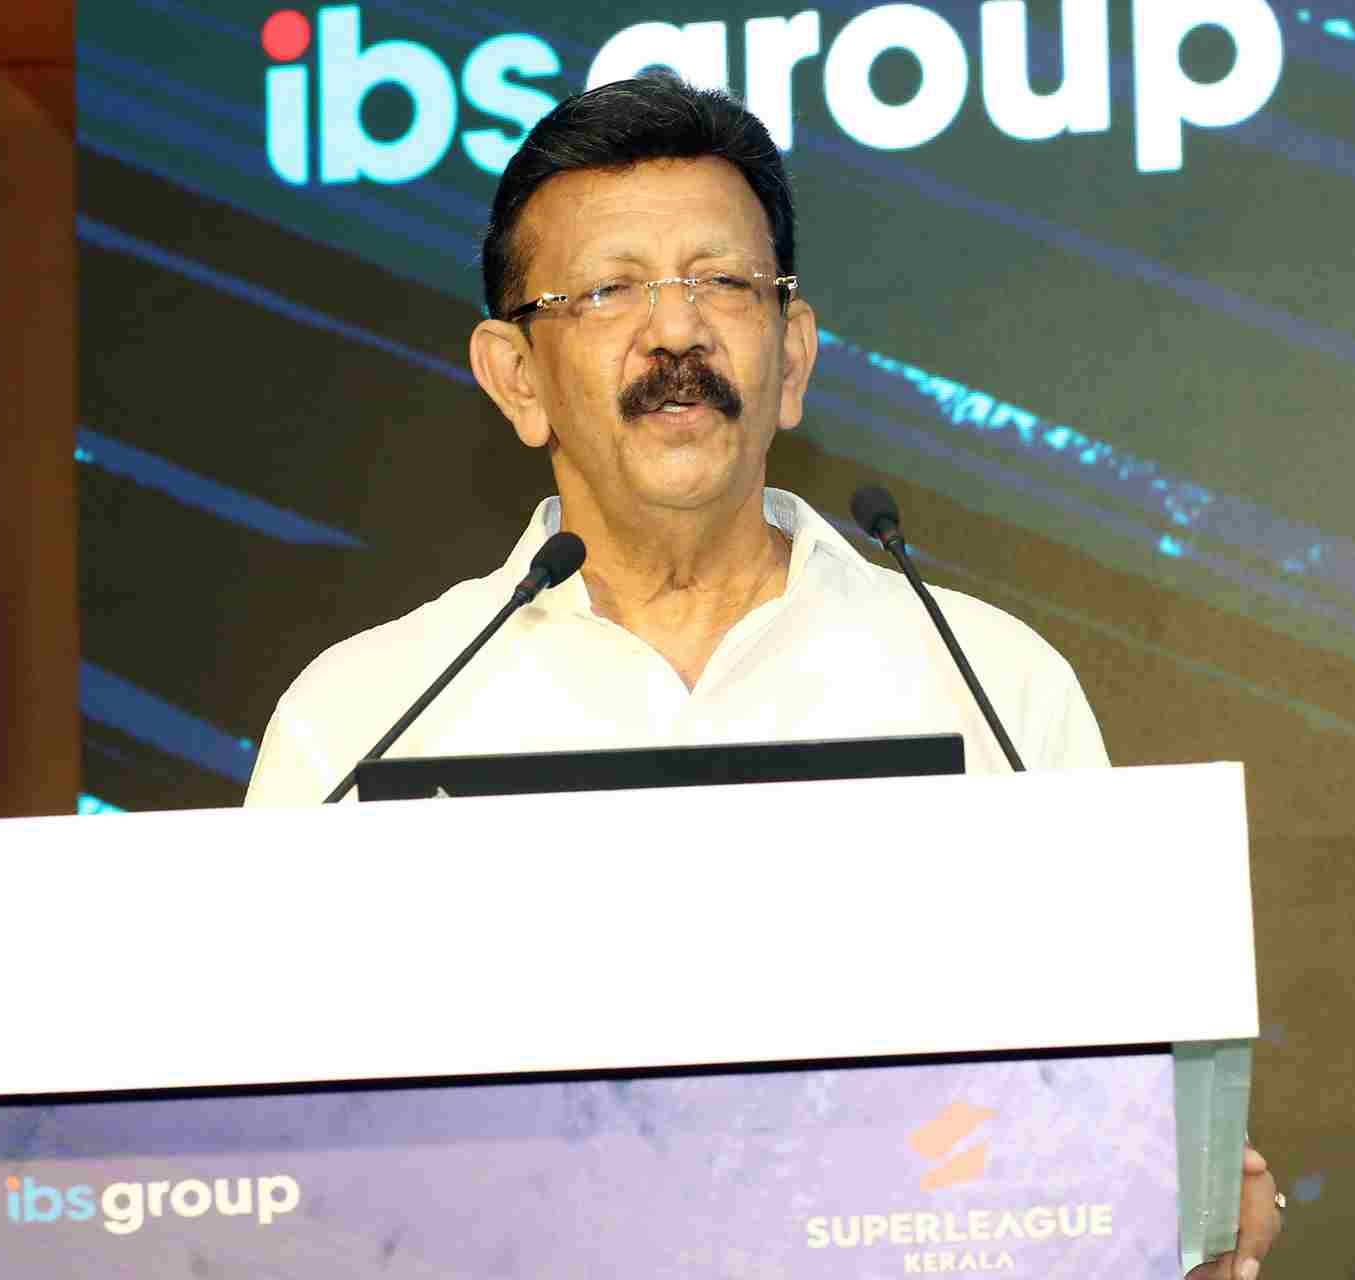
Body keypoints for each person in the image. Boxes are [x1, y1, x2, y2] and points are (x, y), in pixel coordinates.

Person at [244, 71, 1281, 1278]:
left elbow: (1114, 1101)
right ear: (516, 375)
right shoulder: (362, 714)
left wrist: (1175, 1200)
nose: (675, 333)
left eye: (723, 283)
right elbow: (262, 1153)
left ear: (790, 355)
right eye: (610, 289)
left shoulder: (990, 680)